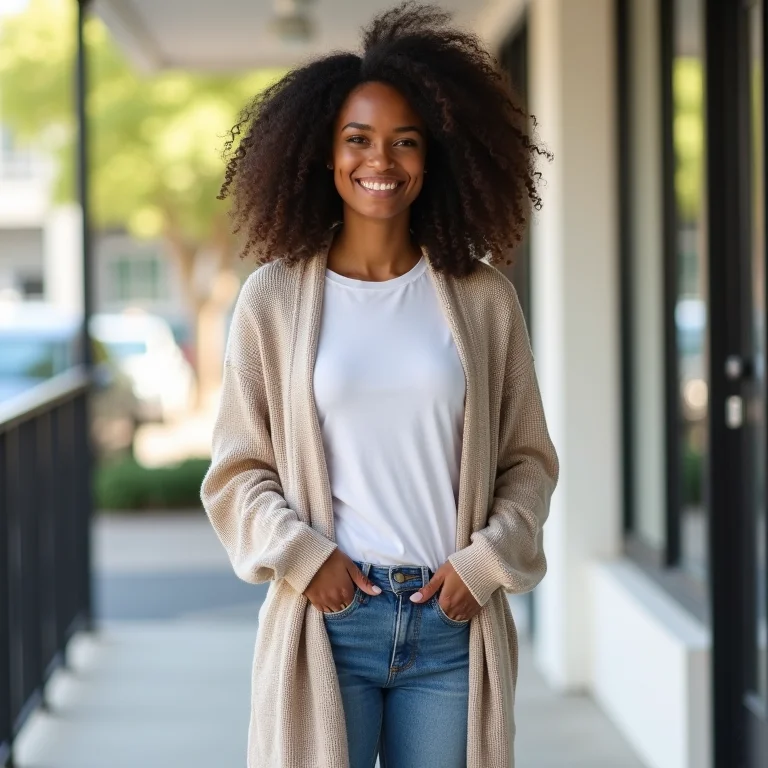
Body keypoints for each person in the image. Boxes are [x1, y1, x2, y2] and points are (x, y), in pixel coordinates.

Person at [200, 3, 559, 767]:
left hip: (451, 623)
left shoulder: (483, 298)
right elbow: (237, 473)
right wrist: (304, 558)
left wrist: (485, 564)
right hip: (329, 624)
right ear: (323, 157)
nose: (381, 161)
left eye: (406, 141)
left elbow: (527, 461)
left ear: (435, 156)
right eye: (357, 140)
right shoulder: (274, 299)